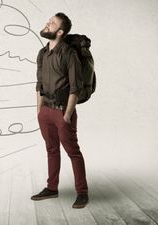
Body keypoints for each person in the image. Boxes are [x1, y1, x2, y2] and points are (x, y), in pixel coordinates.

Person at [31, 12, 89, 209]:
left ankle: (82, 192)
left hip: (63, 112)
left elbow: (76, 87)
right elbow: (39, 83)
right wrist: (39, 110)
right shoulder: (42, 53)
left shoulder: (69, 54)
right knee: (51, 149)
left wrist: (66, 115)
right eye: (49, 21)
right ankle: (52, 188)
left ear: (60, 31)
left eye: (52, 23)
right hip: (45, 111)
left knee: (73, 152)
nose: (47, 24)